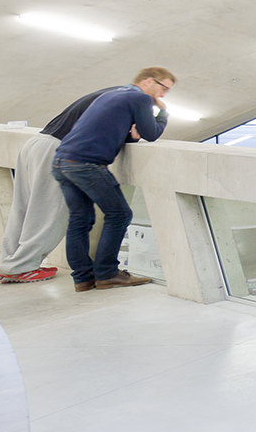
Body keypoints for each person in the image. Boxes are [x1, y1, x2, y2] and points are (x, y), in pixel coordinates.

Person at [51, 67, 176, 293]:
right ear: (148, 81)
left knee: (80, 219)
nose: (163, 94)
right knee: (119, 214)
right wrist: (163, 113)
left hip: (62, 160)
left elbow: (117, 131)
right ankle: (108, 273)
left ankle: (82, 278)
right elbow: (151, 133)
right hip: (86, 164)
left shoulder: (113, 94)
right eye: (163, 88)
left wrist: (132, 136)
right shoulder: (140, 97)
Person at [0, 87, 109, 283]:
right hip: (57, 149)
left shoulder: (104, 95)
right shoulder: (128, 101)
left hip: (35, 143)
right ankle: (22, 267)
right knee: (51, 212)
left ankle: (9, 263)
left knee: (23, 207)